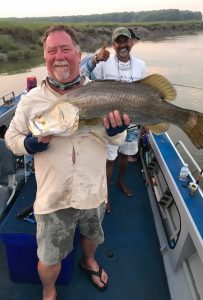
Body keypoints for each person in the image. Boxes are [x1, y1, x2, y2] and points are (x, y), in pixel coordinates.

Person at [5, 25, 130, 300]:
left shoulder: (100, 91)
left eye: (65, 49)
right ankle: (49, 291)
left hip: (92, 190)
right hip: (53, 197)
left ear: (79, 53)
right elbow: (11, 137)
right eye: (52, 50)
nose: (58, 56)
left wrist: (115, 131)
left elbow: (116, 142)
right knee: (49, 256)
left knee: (92, 236)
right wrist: (28, 144)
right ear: (44, 56)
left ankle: (88, 260)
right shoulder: (31, 100)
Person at [81, 27, 147, 213]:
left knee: (125, 155)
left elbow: (145, 94)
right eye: (118, 41)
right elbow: (81, 80)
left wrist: (147, 124)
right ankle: (106, 195)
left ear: (132, 42)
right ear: (113, 45)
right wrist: (94, 59)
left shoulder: (141, 65)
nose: (122, 45)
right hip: (108, 125)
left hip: (132, 123)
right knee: (109, 160)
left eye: (126, 40)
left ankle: (121, 181)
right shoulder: (103, 63)